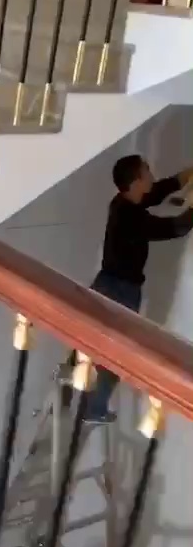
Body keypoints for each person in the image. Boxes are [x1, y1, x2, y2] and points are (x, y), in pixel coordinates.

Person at [69, 155, 193, 423]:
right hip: (122, 291)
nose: (152, 176)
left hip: (106, 283)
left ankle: (72, 397)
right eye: (147, 172)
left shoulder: (123, 202)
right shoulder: (131, 216)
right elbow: (176, 227)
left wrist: (186, 175)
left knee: (87, 342)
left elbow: (157, 191)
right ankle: (93, 410)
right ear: (137, 182)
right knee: (116, 353)